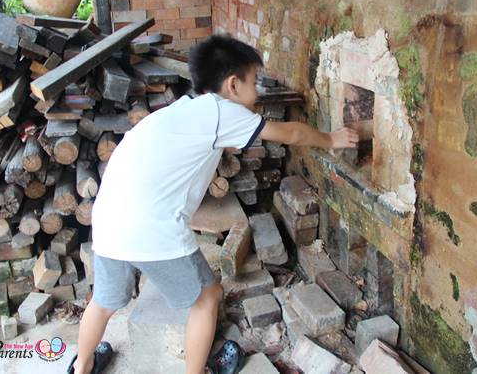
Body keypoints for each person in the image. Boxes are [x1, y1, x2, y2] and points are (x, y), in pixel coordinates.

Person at [67, 34, 359, 374]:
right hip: (150, 228)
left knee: (103, 302)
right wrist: (332, 139)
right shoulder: (222, 112)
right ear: (233, 85)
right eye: (254, 83)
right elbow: (290, 134)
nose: (257, 92)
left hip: (108, 217)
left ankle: (83, 367)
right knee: (208, 297)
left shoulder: (186, 108)